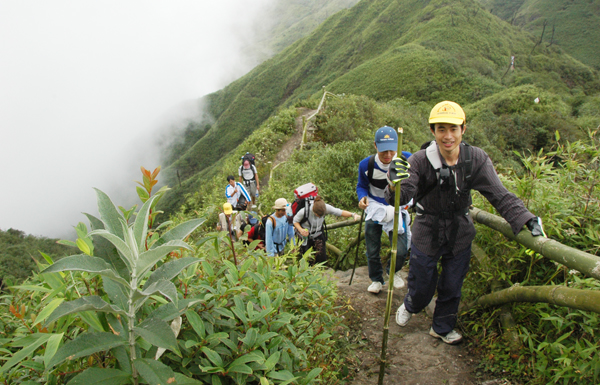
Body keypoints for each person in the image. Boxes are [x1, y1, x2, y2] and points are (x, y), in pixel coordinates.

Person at [386, 100, 546, 345]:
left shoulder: (475, 159)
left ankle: (441, 327)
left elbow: (498, 193)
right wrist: (393, 182)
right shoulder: (418, 160)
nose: (448, 136)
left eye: (453, 129)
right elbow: (402, 196)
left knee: (452, 285)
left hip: (460, 230)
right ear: (433, 131)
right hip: (426, 228)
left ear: (463, 129)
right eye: (441, 129)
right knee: (421, 285)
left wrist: (525, 218)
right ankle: (411, 304)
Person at [356, 126, 412, 294]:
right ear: (375, 146)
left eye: (391, 151)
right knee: (372, 248)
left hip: (396, 206)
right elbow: (361, 186)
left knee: (401, 249)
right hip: (374, 206)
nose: (388, 156)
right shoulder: (367, 165)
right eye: (383, 152)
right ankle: (376, 280)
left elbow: (416, 182)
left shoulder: (407, 160)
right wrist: (362, 198)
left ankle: (392, 272)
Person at [293, 195, 360, 266]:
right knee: (305, 258)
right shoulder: (304, 211)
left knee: (322, 257)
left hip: (318, 233)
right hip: (305, 236)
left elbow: (339, 212)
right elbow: (295, 221)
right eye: (318, 215)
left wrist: (353, 215)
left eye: (322, 216)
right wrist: (301, 230)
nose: (320, 217)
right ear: (313, 210)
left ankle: (321, 272)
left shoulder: (325, 207)